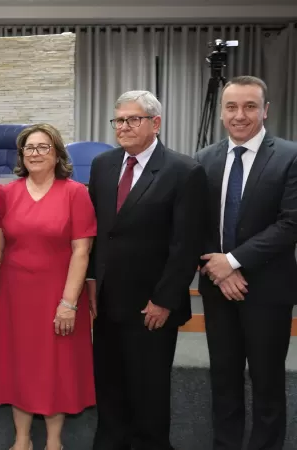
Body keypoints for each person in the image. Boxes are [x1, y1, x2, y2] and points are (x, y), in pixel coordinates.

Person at [87, 90, 207, 450]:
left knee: (148, 395)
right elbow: (97, 231)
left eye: (132, 119)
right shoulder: (103, 165)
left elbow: (185, 245)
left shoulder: (184, 171)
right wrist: (91, 281)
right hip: (106, 302)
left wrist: (164, 300)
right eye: (119, 120)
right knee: (109, 389)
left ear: (156, 123)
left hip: (151, 307)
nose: (123, 127)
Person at [194, 75, 297, 450]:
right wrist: (219, 270)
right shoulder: (203, 159)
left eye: (250, 106)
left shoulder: (290, 156)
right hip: (217, 289)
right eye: (232, 107)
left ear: (265, 110)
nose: (240, 115)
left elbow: (290, 223)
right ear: (222, 113)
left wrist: (234, 261)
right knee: (223, 379)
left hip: (268, 290)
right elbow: (195, 224)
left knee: (267, 383)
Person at [0, 123, 96, 450]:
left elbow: (81, 251)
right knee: (18, 363)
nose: (35, 153)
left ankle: (54, 442)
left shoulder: (76, 193)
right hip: (13, 294)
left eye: (43, 147)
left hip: (59, 294)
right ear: (21, 156)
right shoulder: (5, 194)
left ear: (57, 154)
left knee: (55, 365)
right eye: (29, 148)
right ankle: (22, 439)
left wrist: (69, 303)